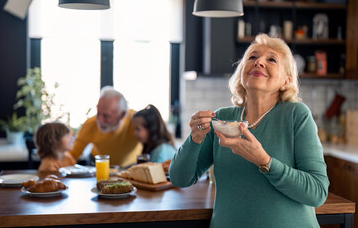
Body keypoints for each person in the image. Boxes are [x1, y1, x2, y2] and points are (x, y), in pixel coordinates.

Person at [169, 34, 329, 228]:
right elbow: (179, 178)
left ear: (286, 81)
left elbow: (317, 192)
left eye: (271, 59)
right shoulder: (222, 118)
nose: (259, 62)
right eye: (252, 57)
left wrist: (265, 162)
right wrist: (194, 139)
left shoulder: (296, 115)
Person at [68, 86, 142, 168]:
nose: (100, 120)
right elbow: (72, 155)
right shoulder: (90, 125)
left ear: (122, 114)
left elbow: (155, 141)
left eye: (106, 116)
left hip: (130, 166)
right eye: (98, 113)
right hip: (97, 165)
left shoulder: (136, 121)